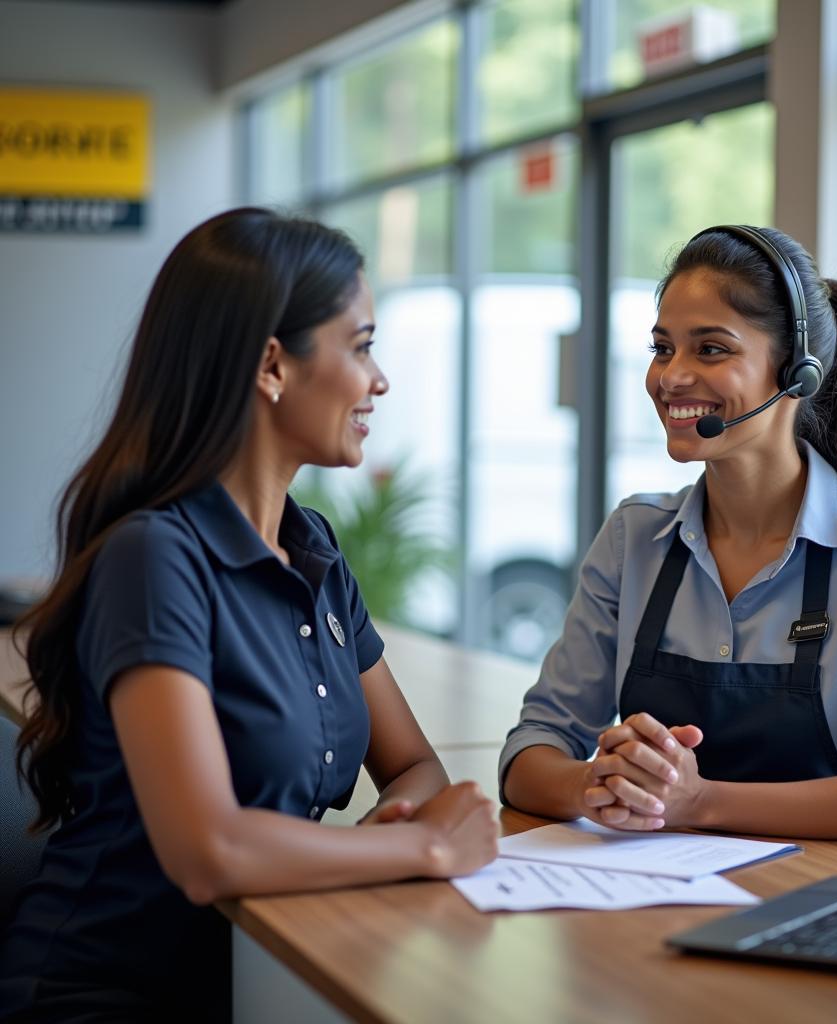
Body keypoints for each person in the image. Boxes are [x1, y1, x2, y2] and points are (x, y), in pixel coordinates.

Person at [0, 208, 498, 1023]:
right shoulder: (155, 557)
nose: (379, 381)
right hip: (100, 997)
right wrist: (421, 845)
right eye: (362, 344)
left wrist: (379, 844)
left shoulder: (314, 550)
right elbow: (209, 852)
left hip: (258, 971)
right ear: (273, 364)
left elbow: (415, 766)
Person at [500, 224, 837, 843]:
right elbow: (530, 751)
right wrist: (604, 784)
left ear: (797, 372)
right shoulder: (633, 536)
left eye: (711, 349)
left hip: (825, 890)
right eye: (662, 347)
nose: (670, 377)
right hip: (647, 901)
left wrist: (699, 802)